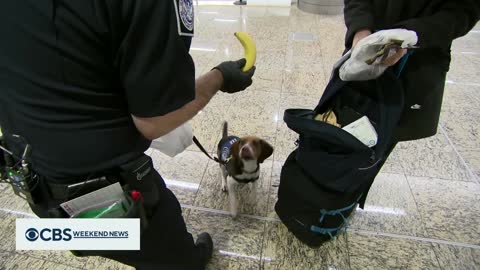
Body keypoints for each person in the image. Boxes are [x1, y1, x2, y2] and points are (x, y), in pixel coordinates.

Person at [0, 1, 255, 269]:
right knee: (175, 258)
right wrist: (220, 78)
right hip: (109, 200)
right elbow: (155, 122)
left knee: (87, 240)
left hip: (32, 184)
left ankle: (84, 240)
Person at [344, 0, 480, 141]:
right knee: (339, 126)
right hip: (365, 49)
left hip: (417, 62)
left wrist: (411, 35)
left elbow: (465, 10)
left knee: (379, 141)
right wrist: (360, 27)